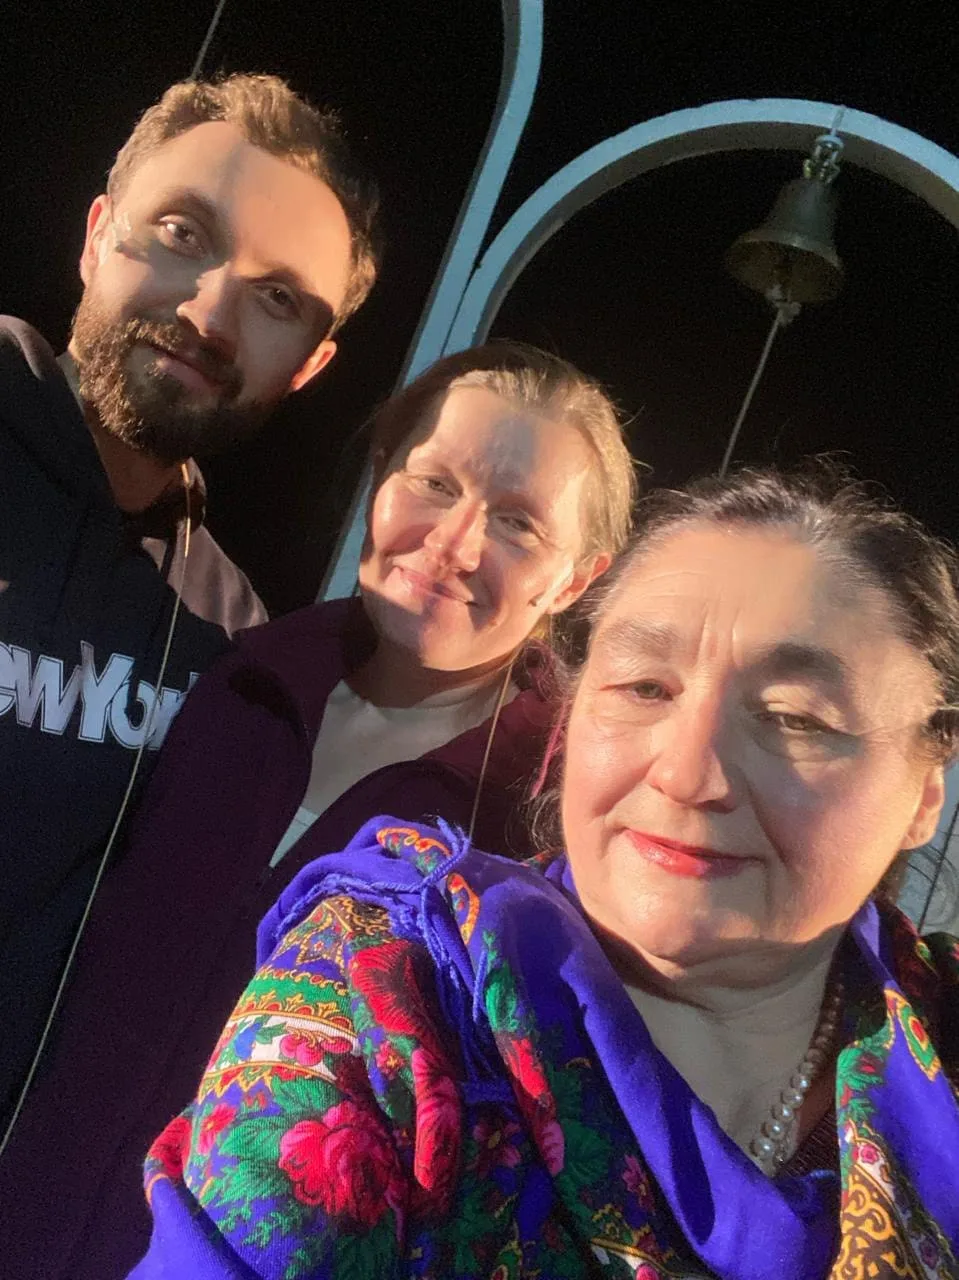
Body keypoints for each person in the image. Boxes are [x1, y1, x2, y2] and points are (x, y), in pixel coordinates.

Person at [132, 464, 959, 1278]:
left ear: (926, 789)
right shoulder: (390, 995)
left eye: (792, 718)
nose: (684, 774)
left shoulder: (937, 1036)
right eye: (643, 687)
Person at [0, 342, 636, 1279]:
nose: (454, 543)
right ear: (380, 478)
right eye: (433, 482)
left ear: (574, 579)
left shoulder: (541, 826)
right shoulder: (235, 683)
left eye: (517, 524)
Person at [0, 70, 380, 1147]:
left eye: (276, 298)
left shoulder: (229, 635)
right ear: (96, 234)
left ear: (309, 365)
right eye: (182, 233)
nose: (209, 312)